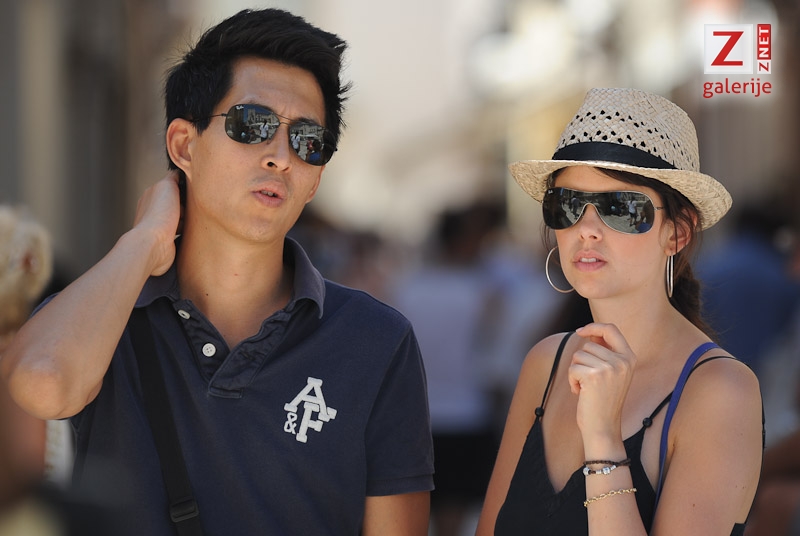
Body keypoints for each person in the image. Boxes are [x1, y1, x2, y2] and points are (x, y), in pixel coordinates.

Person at [0, 8, 433, 536]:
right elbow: (40, 385)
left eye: (307, 140)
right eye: (253, 125)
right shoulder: (104, 321)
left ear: (317, 176)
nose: (281, 157)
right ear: (184, 145)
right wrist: (144, 242)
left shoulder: (376, 340)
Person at [475, 87, 763, 535]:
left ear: (677, 233)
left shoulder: (720, 391)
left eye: (622, 209)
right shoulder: (546, 364)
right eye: (568, 205)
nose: (587, 229)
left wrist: (603, 439)